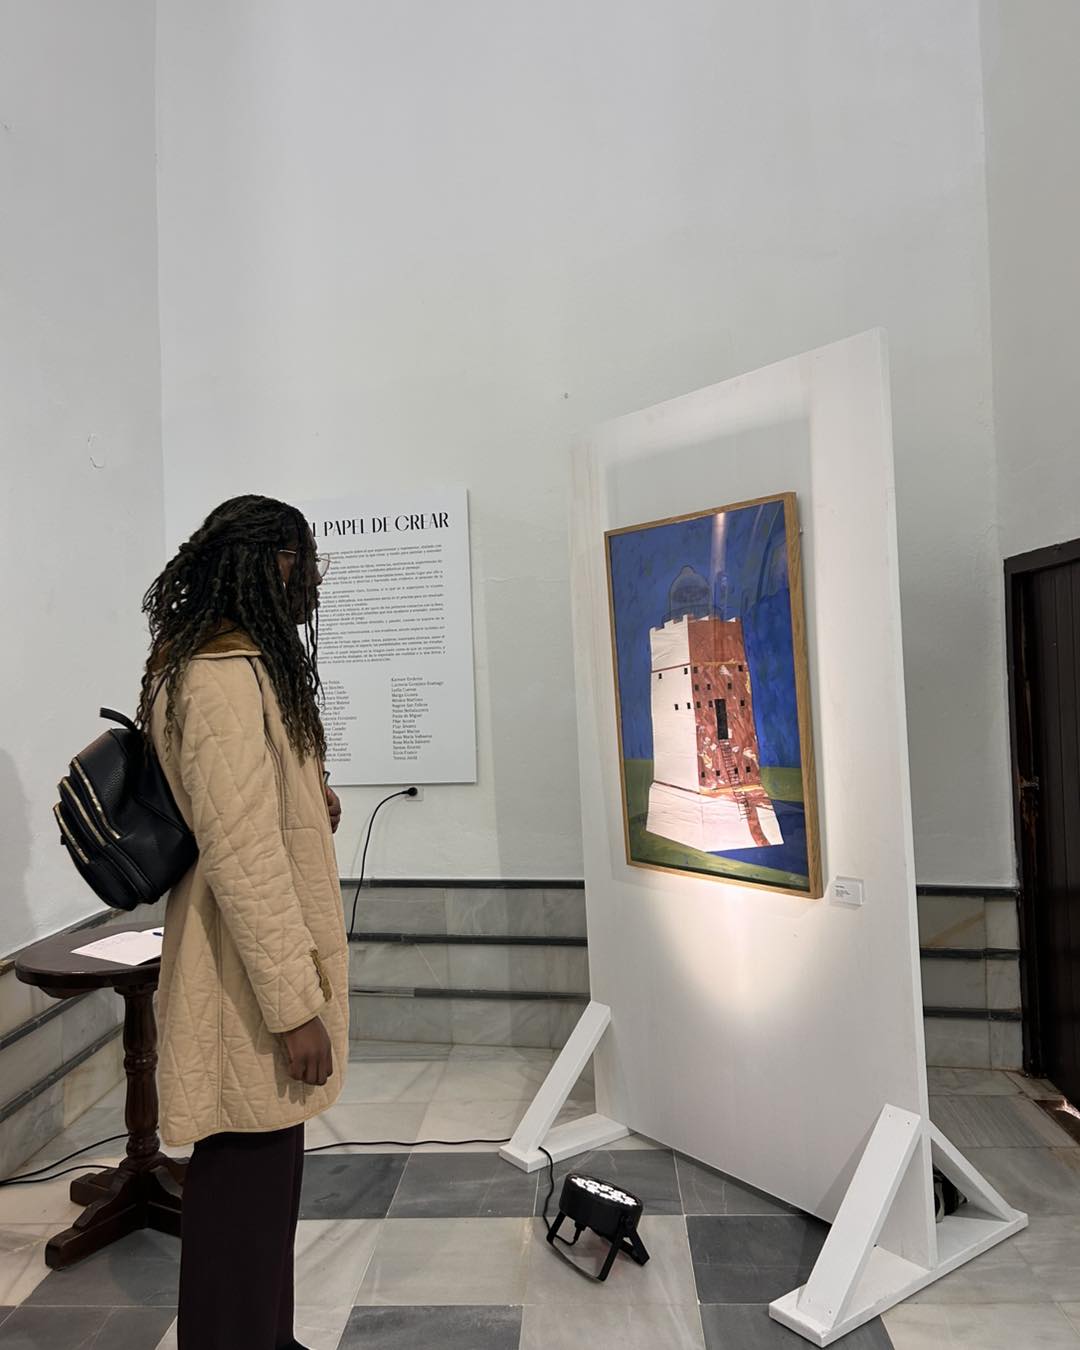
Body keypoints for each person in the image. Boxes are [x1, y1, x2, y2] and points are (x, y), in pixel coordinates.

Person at [135, 494, 348, 1350]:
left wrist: (309, 797)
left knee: (262, 1198)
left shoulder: (239, 662)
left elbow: (247, 813)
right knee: (240, 1199)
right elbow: (242, 859)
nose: (312, 580)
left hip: (250, 964)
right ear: (259, 564)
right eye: (300, 561)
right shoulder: (218, 676)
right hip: (244, 980)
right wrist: (295, 1009)